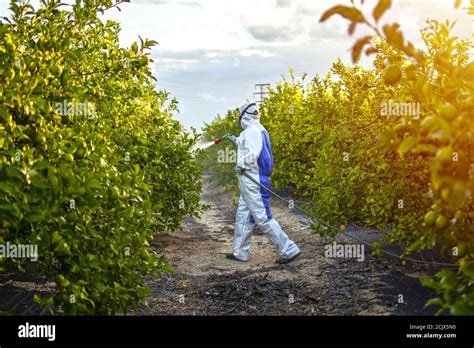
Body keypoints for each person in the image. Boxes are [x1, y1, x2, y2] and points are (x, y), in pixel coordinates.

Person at [225, 102, 301, 264]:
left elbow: (253, 152)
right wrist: (237, 141)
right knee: (243, 216)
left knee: (263, 217)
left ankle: (289, 250)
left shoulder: (252, 131)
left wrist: (241, 164)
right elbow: (250, 145)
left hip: (254, 181)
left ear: (244, 115)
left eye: (239, 114)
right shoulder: (257, 129)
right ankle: (240, 252)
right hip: (249, 182)